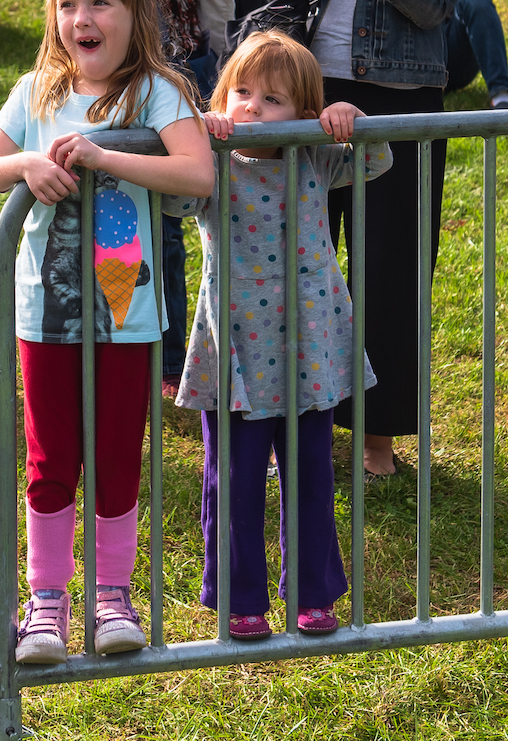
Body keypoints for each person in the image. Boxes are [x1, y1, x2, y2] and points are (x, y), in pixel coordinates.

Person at [0, 0, 209, 664]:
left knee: (116, 455)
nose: (81, 18)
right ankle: (45, 601)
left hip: (129, 315)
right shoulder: (36, 91)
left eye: (100, 2)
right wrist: (24, 164)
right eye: (69, 3)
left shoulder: (157, 92)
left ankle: (111, 595)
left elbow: (199, 175)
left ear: (135, 11)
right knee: (51, 456)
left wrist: (106, 156)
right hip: (45, 314)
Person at [269, 0, 480, 477]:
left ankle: (376, 442)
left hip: (398, 100)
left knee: (388, 276)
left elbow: (433, 4)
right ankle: (298, 431)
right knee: (296, 267)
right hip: (309, 93)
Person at [167, 31, 385, 639]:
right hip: (234, 348)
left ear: (304, 111)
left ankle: (313, 593)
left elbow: (374, 157)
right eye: (242, 92)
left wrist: (348, 117)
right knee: (232, 478)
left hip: (308, 346)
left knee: (311, 475)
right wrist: (194, 136)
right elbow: (173, 202)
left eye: (273, 99)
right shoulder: (211, 161)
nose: (253, 108)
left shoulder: (312, 155)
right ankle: (239, 597)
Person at [43, 0, 211, 387]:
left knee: (162, 217)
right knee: (101, 211)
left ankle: (166, 360)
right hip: (94, 67)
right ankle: (100, 337)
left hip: (170, 58)